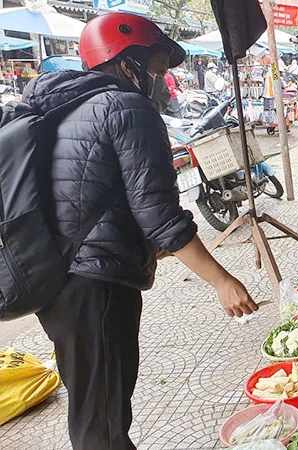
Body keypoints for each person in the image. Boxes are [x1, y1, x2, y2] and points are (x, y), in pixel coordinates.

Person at [22, 12, 258, 450]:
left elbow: (95, 194)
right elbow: (160, 214)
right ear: (127, 59)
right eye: (157, 69)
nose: (159, 82)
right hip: (97, 285)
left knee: (95, 411)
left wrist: (147, 244)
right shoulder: (127, 106)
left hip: (58, 282)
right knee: (104, 427)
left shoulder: (64, 106)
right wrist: (223, 281)